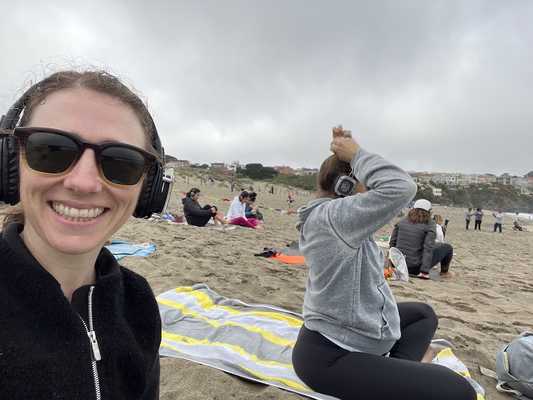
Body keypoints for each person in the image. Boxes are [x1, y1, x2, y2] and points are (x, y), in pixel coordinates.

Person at [0, 70, 163, 399]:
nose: (84, 183)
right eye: (51, 149)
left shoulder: (139, 301)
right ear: (9, 163)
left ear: (149, 190)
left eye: (121, 162)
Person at [292, 126, 475, 400]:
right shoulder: (334, 218)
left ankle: (393, 374)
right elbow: (402, 187)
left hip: (355, 333)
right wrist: (357, 155)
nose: (370, 192)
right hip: (331, 357)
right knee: (459, 391)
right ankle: (394, 377)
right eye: (366, 184)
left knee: (423, 315)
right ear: (348, 186)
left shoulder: (336, 219)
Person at [389, 199, 454, 280]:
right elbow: (428, 248)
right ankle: (444, 272)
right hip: (415, 268)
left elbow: (392, 243)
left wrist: (392, 264)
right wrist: (424, 272)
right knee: (448, 248)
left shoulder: (402, 221)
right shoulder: (430, 224)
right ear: (429, 211)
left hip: (398, 265)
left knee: (437, 245)